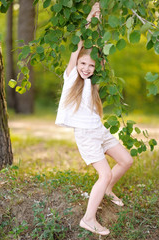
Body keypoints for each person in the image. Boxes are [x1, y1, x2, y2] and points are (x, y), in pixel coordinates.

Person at [55, 2, 133, 236]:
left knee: (126, 161)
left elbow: (97, 52)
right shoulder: (70, 77)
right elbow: (79, 45)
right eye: (83, 63)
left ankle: (107, 190)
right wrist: (90, 18)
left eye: (90, 65)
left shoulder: (91, 82)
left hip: (99, 130)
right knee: (105, 172)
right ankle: (88, 218)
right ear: (76, 63)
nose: (86, 68)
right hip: (86, 135)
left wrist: (100, 27)